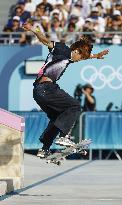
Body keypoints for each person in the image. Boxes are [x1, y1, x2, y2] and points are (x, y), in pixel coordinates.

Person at [22, 21, 109, 158]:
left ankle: (44, 148)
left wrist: (95, 56)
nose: (80, 60)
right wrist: (33, 29)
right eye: (81, 56)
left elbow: (83, 57)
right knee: (74, 105)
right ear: (76, 51)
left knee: (57, 117)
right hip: (46, 89)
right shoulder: (63, 49)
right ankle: (63, 136)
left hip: (38, 92)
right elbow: (45, 41)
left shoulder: (70, 57)